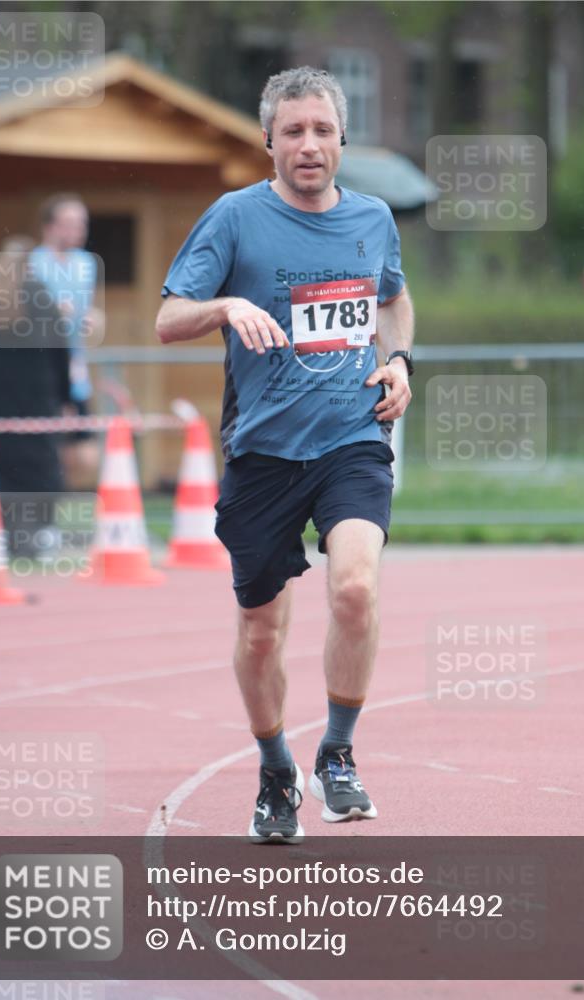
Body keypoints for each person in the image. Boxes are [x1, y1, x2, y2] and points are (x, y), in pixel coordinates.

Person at [156, 67, 415, 842]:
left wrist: (399, 361)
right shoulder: (233, 218)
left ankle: (336, 754)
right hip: (263, 453)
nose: (308, 144)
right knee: (262, 629)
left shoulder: (371, 219)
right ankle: (276, 769)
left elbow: (392, 298)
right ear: (268, 139)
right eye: (293, 130)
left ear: (342, 141)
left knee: (355, 589)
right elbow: (169, 319)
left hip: (352, 438)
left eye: (323, 130)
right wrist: (226, 305)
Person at [0, 236, 71, 556]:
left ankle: (4, 535)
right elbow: (61, 354)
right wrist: (66, 398)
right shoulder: (43, 298)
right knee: (42, 468)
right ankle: (41, 534)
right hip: (39, 401)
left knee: (1, 470)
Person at [30, 193, 102, 489]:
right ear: (50, 227)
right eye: (70, 223)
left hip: (74, 368)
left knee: (84, 454)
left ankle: (57, 504)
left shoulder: (86, 264)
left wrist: (94, 319)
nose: (78, 230)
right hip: (41, 368)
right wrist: (50, 314)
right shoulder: (33, 263)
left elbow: (89, 312)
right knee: (45, 445)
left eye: (82, 223)